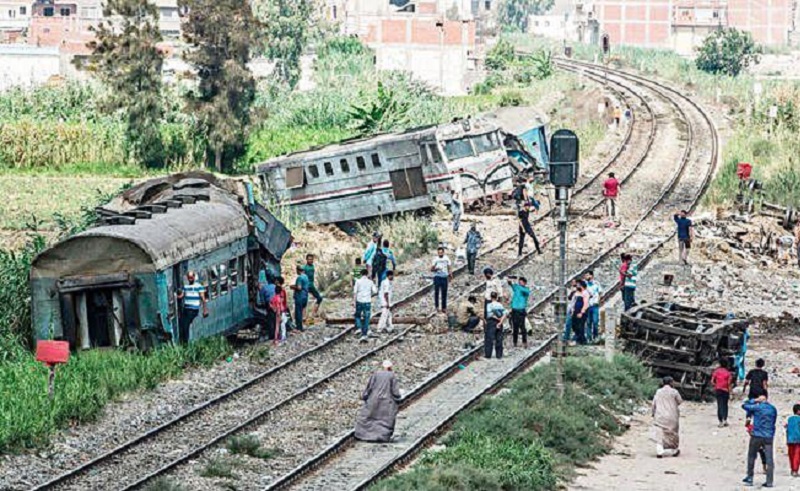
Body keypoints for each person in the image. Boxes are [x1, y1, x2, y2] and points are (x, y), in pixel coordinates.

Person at [354, 359, 402, 443]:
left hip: (373, 399)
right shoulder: (392, 376)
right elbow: (395, 391)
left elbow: (369, 387)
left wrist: (365, 396)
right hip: (386, 402)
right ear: (390, 367)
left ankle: (364, 435)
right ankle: (382, 436)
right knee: (385, 420)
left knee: (368, 416)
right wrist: (398, 399)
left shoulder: (376, 374)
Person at [742, 395, 777, 487]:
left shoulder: (757, 407)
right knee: (769, 459)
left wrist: (754, 400)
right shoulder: (773, 408)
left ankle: (750, 478)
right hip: (769, 436)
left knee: (752, 456)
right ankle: (769, 481)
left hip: (757, 435)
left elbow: (744, 405)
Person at [652, 376, 683, 458]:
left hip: (660, 415)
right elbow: (680, 401)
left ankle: (659, 451)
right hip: (672, 416)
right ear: (671, 383)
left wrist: (653, 413)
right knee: (673, 433)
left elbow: (654, 403)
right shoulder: (674, 392)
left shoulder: (658, 392)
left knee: (659, 433)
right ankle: (674, 451)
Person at [176, 271, 209, 343]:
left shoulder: (199, 286)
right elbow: (182, 296)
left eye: (191, 277)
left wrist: (205, 310)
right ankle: (183, 341)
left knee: (186, 324)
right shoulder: (186, 287)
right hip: (186, 309)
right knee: (182, 323)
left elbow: (203, 299)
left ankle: (185, 342)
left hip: (193, 309)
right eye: (189, 278)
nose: (190, 279)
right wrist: (176, 296)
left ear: (194, 277)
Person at [507, 276, 530, 348]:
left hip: (521, 310)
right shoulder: (516, 287)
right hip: (514, 310)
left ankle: (524, 341)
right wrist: (509, 279)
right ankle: (515, 342)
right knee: (515, 327)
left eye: (522, 281)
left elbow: (525, 291)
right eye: (520, 281)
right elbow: (510, 283)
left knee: (522, 327)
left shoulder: (526, 290)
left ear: (525, 283)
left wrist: (516, 285)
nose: (520, 282)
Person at [354, 269, 376, 342]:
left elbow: (355, 293)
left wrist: (354, 302)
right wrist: (370, 294)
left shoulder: (358, 281)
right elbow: (375, 291)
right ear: (367, 274)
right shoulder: (370, 282)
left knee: (357, 315)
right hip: (367, 301)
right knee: (367, 318)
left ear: (361, 274)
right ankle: (364, 334)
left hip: (359, 301)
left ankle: (359, 327)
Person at [711, 358, 734, 427]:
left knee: (719, 405)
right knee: (725, 405)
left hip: (718, 390)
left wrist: (716, 385)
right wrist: (731, 393)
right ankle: (725, 420)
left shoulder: (716, 371)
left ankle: (720, 421)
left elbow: (712, 381)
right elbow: (729, 384)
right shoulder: (728, 373)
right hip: (725, 391)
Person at [484, 291, 507, 359]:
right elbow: (505, 314)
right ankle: (499, 355)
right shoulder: (500, 305)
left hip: (491, 323)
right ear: (497, 297)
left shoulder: (488, 305)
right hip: (499, 322)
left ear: (491, 297)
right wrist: (500, 322)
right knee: (499, 339)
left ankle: (488, 355)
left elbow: (490, 315)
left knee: (489, 339)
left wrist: (496, 319)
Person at [431, 246, 452, 313]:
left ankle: (444, 307)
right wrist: (436, 269)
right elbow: (431, 269)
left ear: (443, 252)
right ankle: (437, 307)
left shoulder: (446, 259)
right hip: (437, 277)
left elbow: (449, 267)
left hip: (444, 277)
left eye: (441, 252)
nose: (440, 254)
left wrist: (450, 274)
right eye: (439, 253)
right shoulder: (435, 259)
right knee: (437, 292)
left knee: (444, 293)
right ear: (437, 253)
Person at [290, 265, 309, 332]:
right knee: (301, 312)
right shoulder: (306, 277)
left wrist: (292, 287)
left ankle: (299, 328)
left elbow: (299, 287)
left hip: (299, 297)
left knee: (298, 313)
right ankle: (301, 326)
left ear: (298, 270)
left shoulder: (299, 278)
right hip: (305, 296)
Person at [269, 277, 289, 344]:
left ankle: (277, 337)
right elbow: (282, 302)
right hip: (281, 310)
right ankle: (282, 336)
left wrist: (274, 309)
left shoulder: (275, 296)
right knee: (282, 324)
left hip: (279, 311)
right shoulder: (280, 295)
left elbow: (271, 303)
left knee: (279, 325)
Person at [584, 271, 602, 342]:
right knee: (588, 322)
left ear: (591, 276)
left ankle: (595, 336)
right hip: (587, 306)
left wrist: (598, 301)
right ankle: (589, 338)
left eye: (587, 275)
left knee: (595, 321)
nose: (586, 277)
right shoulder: (585, 284)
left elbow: (600, 292)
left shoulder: (596, 284)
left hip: (595, 305)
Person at [571, 280, 589, 345]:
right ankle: (581, 339)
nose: (577, 286)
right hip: (576, 311)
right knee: (574, 325)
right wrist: (573, 310)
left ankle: (580, 340)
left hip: (581, 312)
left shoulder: (585, 293)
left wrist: (582, 312)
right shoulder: (577, 293)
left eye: (578, 285)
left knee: (580, 325)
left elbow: (586, 303)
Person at [786, 404, 800, 477]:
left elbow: (787, 427)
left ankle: (792, 469)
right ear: (798, 411)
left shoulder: (789, 419)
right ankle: (795, 470)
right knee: (797, 455)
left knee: (791, 455)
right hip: (798, 439)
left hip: (789, 439)